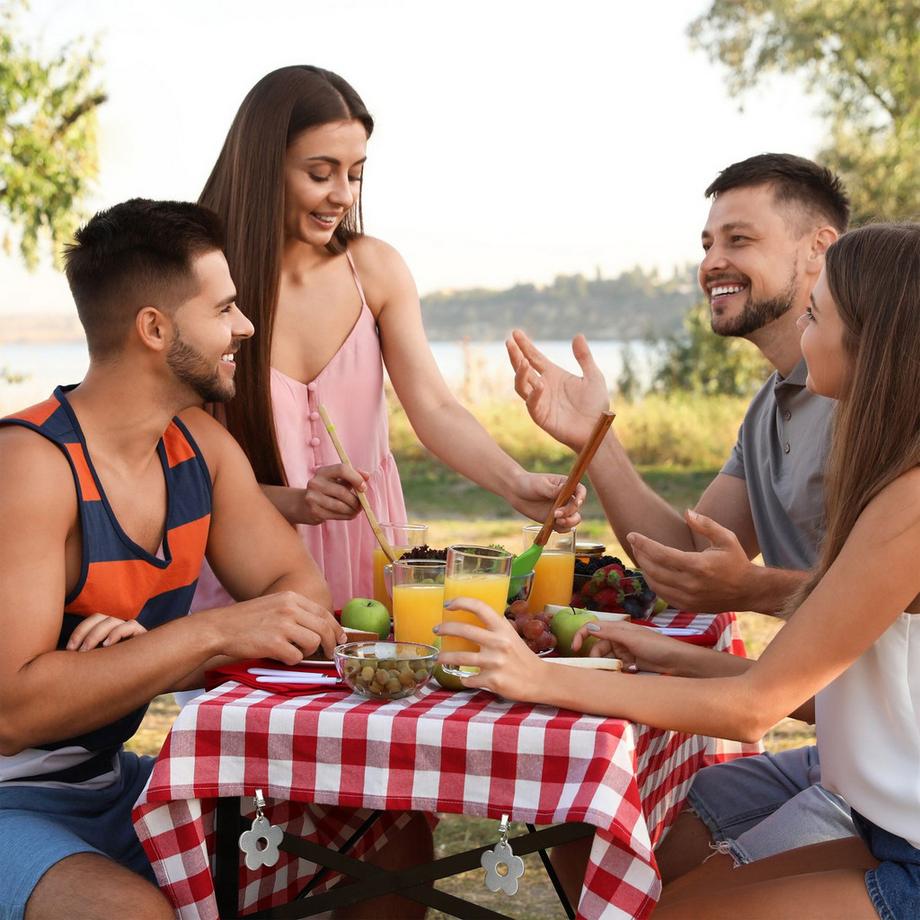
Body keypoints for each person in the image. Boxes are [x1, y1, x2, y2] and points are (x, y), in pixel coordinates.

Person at [439, 221, 920, 919]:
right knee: (662, 903)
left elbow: (756, 706)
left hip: (906, 844)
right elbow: (813, 685)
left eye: (817, 315)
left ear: (872, 344)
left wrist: (535, 677)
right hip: (888, 824)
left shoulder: (907, 503)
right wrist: (659, 651)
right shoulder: (884, 480)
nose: (803, 328)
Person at [0, 199, 429, 920]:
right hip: (11, 803)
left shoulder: (196, 445)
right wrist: (200, 638)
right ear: (154, 328)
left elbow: (298, 595)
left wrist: (141, 660)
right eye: (225, 307)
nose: (246, 327)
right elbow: (13, 710)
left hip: (109, 784)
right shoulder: (32, 464)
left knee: (389, 836)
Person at [506, 153, 859, 881]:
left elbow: (881, 587)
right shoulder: (770, 406)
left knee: (673, 884)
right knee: (597, 827)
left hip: (888, 768)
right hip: (843, 745)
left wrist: (749, 589)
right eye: (707, 245)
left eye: (739, 240)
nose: (712, 263)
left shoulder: (875, 404)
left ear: (818, 249)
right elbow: (683, 564)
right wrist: (597, 437)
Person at [193, 65, 583, 612]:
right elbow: (179, 465)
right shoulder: (205, 282)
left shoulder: (374, 270)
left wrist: (515, 484)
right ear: (263, 168)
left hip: (369, 548)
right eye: (320, 173)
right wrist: (295, 501)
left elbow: (435, 407)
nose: (341, 196)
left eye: (354, 175)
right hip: (249, 556)